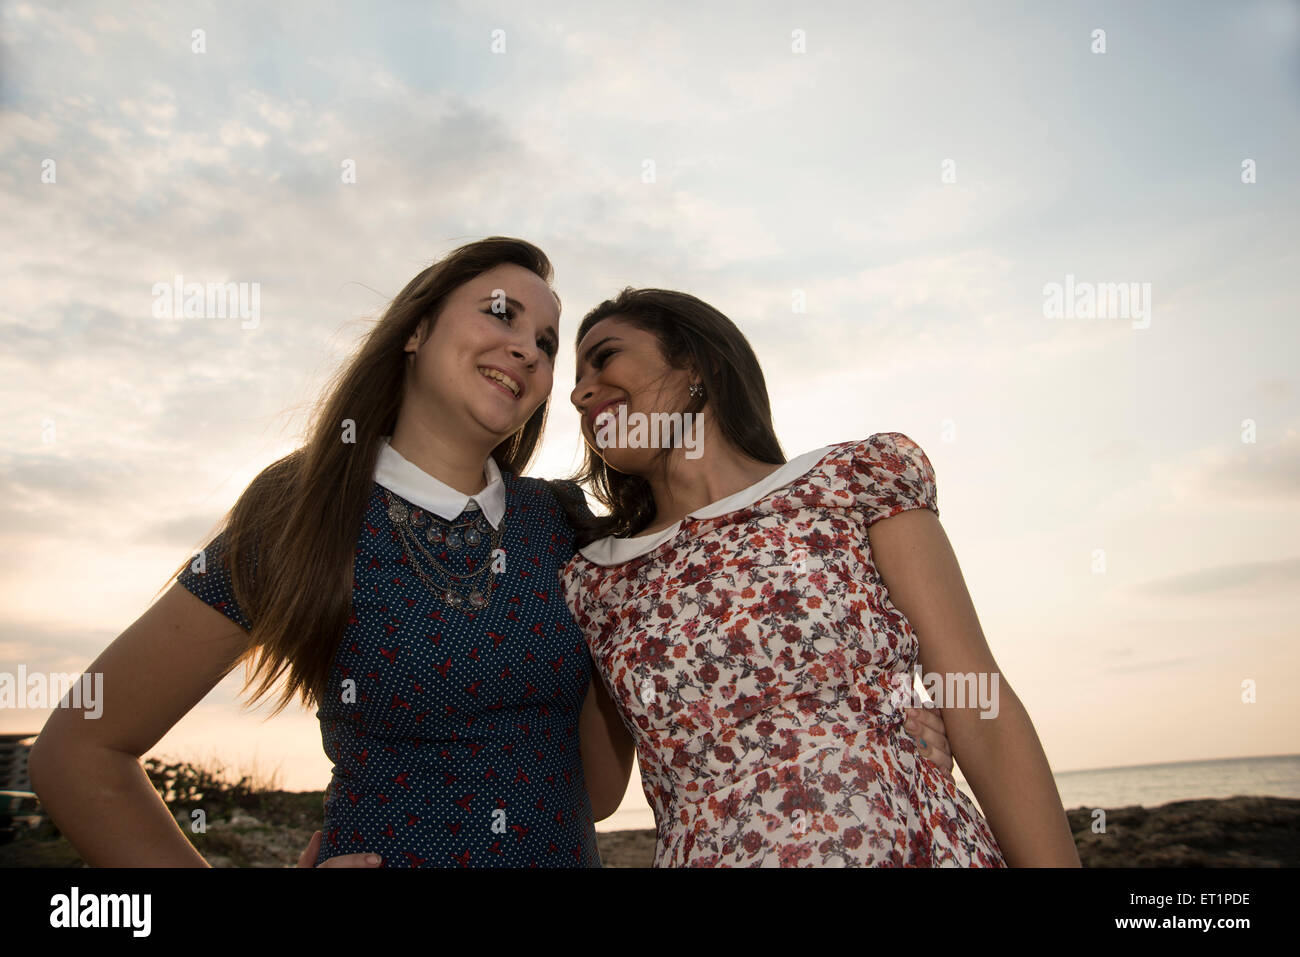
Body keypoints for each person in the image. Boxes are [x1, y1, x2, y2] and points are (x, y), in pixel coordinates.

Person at [29, 237, 952, 869]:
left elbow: (597, 789)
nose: (530, 350)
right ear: (419, 327)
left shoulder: (572, 530)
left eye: (548, 343)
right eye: (505, 315)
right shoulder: (300, 506)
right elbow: (79, 749)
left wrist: (865, 725)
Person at [559, 287, 1082, 867]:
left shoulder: (851, 483)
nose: (580, 391)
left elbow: (974, 694)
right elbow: (597, 793)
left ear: (699, 364)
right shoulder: (595, 579)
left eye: (604, 357)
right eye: (575, 382)